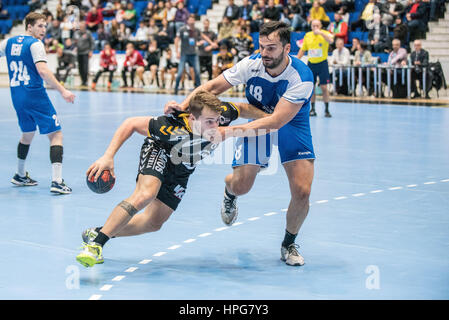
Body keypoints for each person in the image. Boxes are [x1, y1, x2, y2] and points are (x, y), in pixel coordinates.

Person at [164, 21, 316, 267]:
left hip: (291, 121)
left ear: (287, 48)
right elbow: (213, 87)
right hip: (257, 118)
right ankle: (229, 191)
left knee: (303, 191)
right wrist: (183, 106)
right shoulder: (252, 64)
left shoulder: (301, 77)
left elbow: (276, 121)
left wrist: (226, 132)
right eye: (262, 46)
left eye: (272, 48)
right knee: (242, 186)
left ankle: (289, 243)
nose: (265, 53)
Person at [75, 90, 268, 267]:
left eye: (218, 120)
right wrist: (108, 156)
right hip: (160, 151)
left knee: (154, 223)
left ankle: (99, 232)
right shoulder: (170, 126)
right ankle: (94, 247)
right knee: (145, 194)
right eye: (209, 121)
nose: (215, 126)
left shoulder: (220, 118)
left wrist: (272, 118)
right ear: (193, 117)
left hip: (183, 167)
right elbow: (131, 123)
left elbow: (242, 109)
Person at [0, 12, 75, 194]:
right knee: (56, 135)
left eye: (45, 26)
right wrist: (63, 90)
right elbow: (43, 71)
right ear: (29, 27)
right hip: (34, 94)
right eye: (40, 26)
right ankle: (57, 181)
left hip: (17, 95)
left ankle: (19, 175)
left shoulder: (8, 42)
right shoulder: (35, 44)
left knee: (27, 134)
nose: (43, 30)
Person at [297, 19, 334, 117]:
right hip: (311, 64)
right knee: (311, 88)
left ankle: (327, 110)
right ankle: (313, 109)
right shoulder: (308, 35)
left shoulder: (325, 34)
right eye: (314, 26)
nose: (315, 27)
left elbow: (331, 40)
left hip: (322, 64)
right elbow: (303, 49)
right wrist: (296, 60)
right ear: (311, 26)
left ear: (321, 26)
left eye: (317, 25)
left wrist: (321, 33)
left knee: (324, 88)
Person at [173, 14, 202, 95]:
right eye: (190, 20)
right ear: (188, 21)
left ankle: (199, 90)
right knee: (179, 73)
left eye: (193, 20)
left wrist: (209, 43)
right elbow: (176, 39)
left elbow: (201, 37)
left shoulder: (197, 30)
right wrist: (177, 51)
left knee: (197, 72)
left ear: (194, 21)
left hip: (194, 54)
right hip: (184, 54)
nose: (192, 21)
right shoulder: (182, 29)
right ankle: (176, 88)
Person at [73, 21, 94, 87]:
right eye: (80, 26)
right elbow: (73, 41)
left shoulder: (88, 33)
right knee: (80, 67)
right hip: (79, 53)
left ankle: (85, 81)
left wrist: (91, 51)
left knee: (85, 68)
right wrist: (74, 47)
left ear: (85, 26)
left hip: (85, 52)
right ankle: (82, 80)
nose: (81, 27)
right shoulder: (76, 33)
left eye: (83, 26)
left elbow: (92, 42)